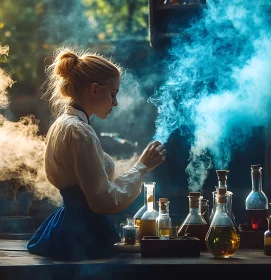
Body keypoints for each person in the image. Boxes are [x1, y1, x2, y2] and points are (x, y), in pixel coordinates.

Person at [27, 47, 167, 261]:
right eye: (113, 94)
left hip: (68, 225)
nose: (115, 102)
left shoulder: (63, 125)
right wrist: (141, 167)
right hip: (83, 234)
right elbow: (103, 200)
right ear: (94, 89)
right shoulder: (79, 131)